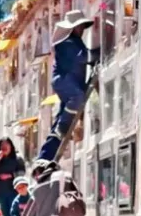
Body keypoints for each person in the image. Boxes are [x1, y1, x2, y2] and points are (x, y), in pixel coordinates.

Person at [39, 10, 99, 162]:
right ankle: (62, 128)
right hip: (64, 81)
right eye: (79, 26)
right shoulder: (66, 43)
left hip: (70, 82)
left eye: (82, 27)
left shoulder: (76, 42)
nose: (81, 30)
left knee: (64, 114)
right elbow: (84, 57)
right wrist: (99, 53)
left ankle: (46, 157)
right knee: (77, 98)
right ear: (71, 28)